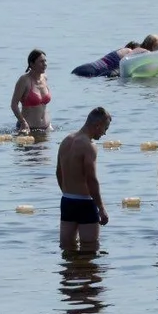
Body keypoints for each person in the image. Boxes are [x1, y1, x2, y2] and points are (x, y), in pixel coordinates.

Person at [56, 107, 112, 250]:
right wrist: (101, 208)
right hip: (85, 203)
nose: (105, 133)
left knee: (67, 249)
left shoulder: (65, 141)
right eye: (105, 128)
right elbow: (91, 178)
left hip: (67, 201)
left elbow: (58, 172)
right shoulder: (89, 146)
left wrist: (67, 192)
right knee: (90, 250)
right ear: (97, 125)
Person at [70, 34, 158, 78]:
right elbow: (124, 62)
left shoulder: (128, 49)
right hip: (92, 72)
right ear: (154, 46)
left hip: (85, 68)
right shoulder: (143, 51)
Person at [10, 49, 52, 134]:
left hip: (46, 129)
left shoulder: (45, 77)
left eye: (45, 61)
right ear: (32, 64)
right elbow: (14, 104)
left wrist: (49, 125)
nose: (45, 64)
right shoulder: (24, 80)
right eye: (41, 62)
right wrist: (23, 122)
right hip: (28, 129)